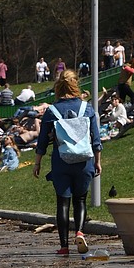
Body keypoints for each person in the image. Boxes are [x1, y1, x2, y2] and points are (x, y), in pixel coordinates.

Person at [33, 70, 103, 256]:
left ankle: (64, 247)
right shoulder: (87, 109)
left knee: (62, 203)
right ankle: (80, 231)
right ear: (75, 84)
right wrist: (97, 162)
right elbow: (96, 138)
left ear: (58, 86)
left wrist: (37, 163)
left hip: (61, 161)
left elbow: (42, 141)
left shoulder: (51, 111)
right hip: (84, 161)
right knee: (80, 200)